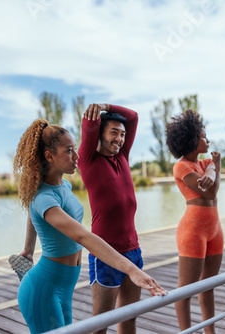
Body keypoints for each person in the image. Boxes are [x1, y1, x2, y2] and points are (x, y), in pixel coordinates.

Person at [13, 119, 166, 334]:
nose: (76, 156)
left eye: (75, 149)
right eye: (69, 151)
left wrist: (28, 250)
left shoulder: (63, 185)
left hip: (65, 286)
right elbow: (83, 236)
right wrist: (132, 270)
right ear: (49, 156)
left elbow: (31, 212)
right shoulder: (43, 197)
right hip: (43, 289)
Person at [77, 103, 143, 334]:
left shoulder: (123, 156)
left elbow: (133, 117)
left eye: (123, 134)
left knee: (129, 319)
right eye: (113, 132)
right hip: (105, 253)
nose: (119, 138)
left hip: (133, 250)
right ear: (100, 134)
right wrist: (96, 112)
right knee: (101, 324)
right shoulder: (88, 161)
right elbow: (89, 126)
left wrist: (107, 106)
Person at [165, 109, 222, 334]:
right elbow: (210, 194)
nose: (207, 140)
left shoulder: (204, 162)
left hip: (215, 230)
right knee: (185, 289)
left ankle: (211, 332)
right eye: (203, 137)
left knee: (208, 286)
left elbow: (210, 169)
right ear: (190, 139)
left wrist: (212, 169)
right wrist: (216, 168)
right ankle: (186, 332)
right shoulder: (181, 167)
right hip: (192, 232)